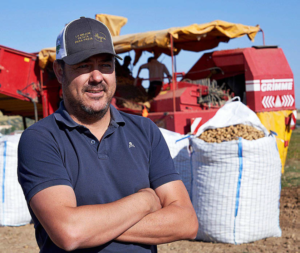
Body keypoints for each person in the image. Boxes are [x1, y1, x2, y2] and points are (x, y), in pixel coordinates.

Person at [17, 17, 198, 253]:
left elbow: (186, 222)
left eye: (105, 65)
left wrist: (93, 225)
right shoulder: (41, 139)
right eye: (83, 65)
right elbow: (69, 232)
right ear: (59, 71)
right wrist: (145, 201)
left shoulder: (145, 131)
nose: (97, 77)